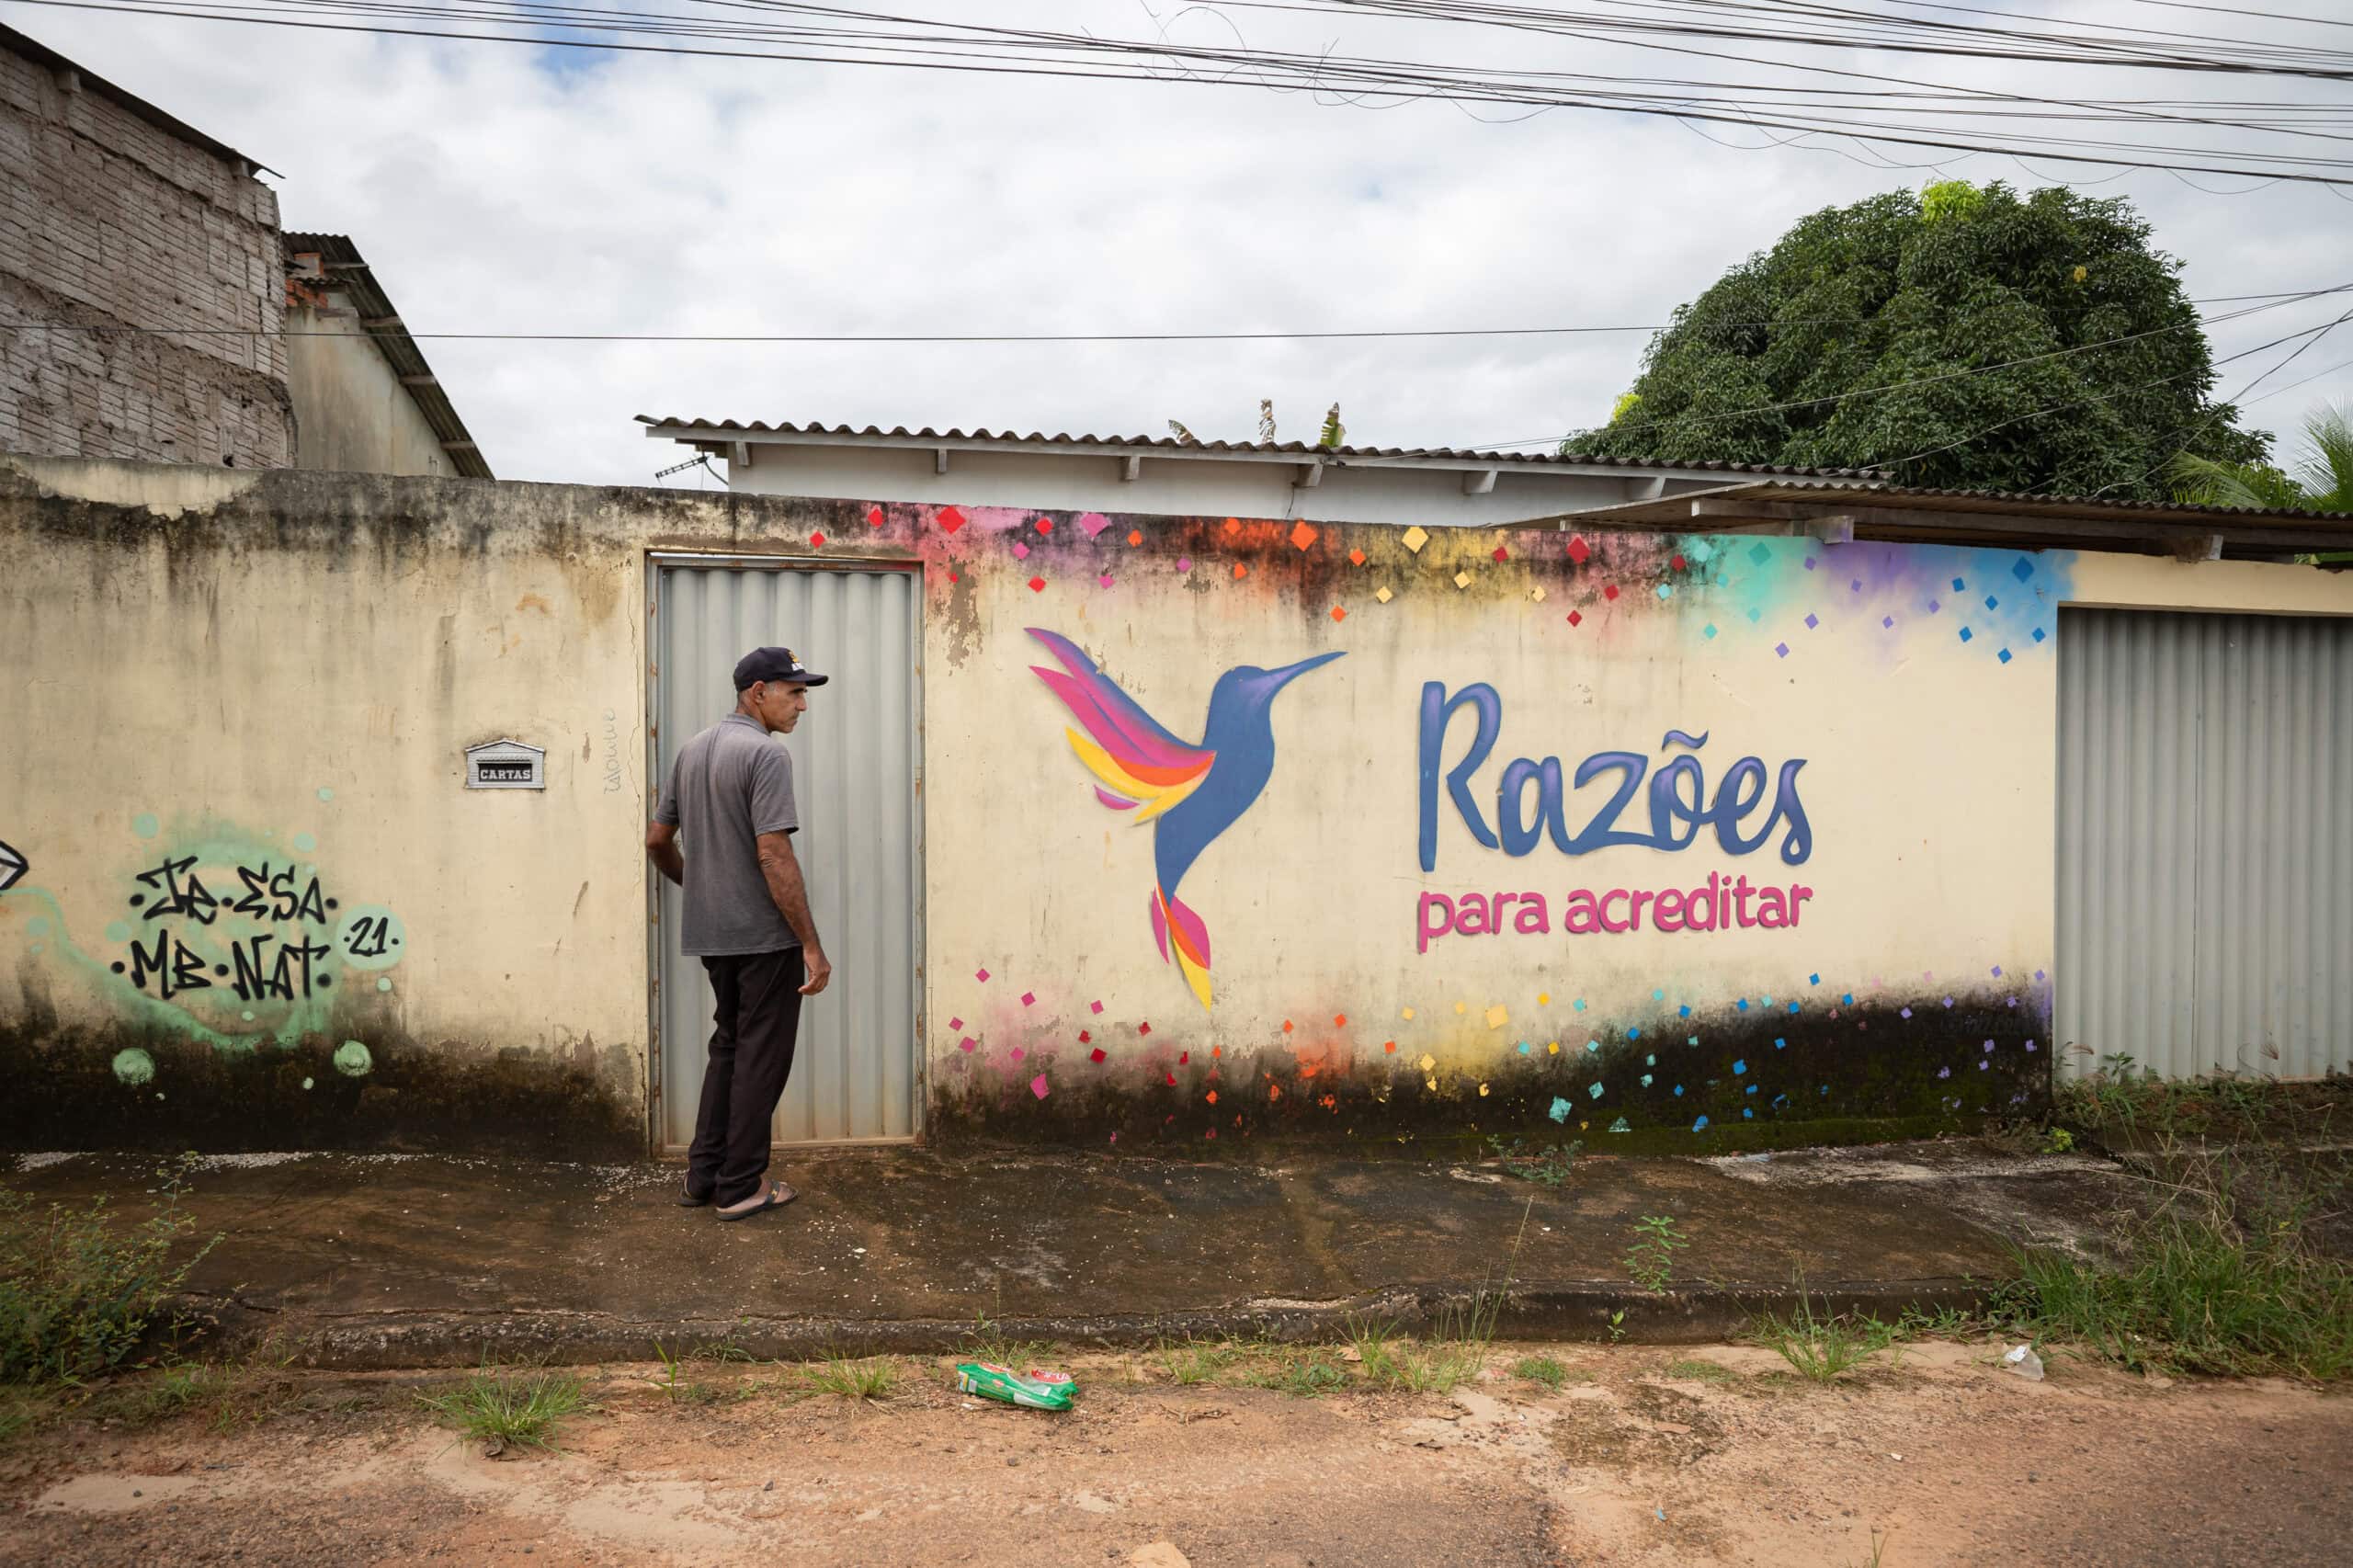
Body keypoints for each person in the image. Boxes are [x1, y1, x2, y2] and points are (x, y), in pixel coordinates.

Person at [645, 645, 834, 1221]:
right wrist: (811, 944)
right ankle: (740, 1186)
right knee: (760, 1058)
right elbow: (774, 855)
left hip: (713, 934)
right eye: (794, 693)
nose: (802, 705)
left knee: (728, 1047)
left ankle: (702, 1177)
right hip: (763, 937)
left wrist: (701, 886)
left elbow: (657, 840)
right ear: (758, 693)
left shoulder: (692, 750)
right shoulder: (765, 755)